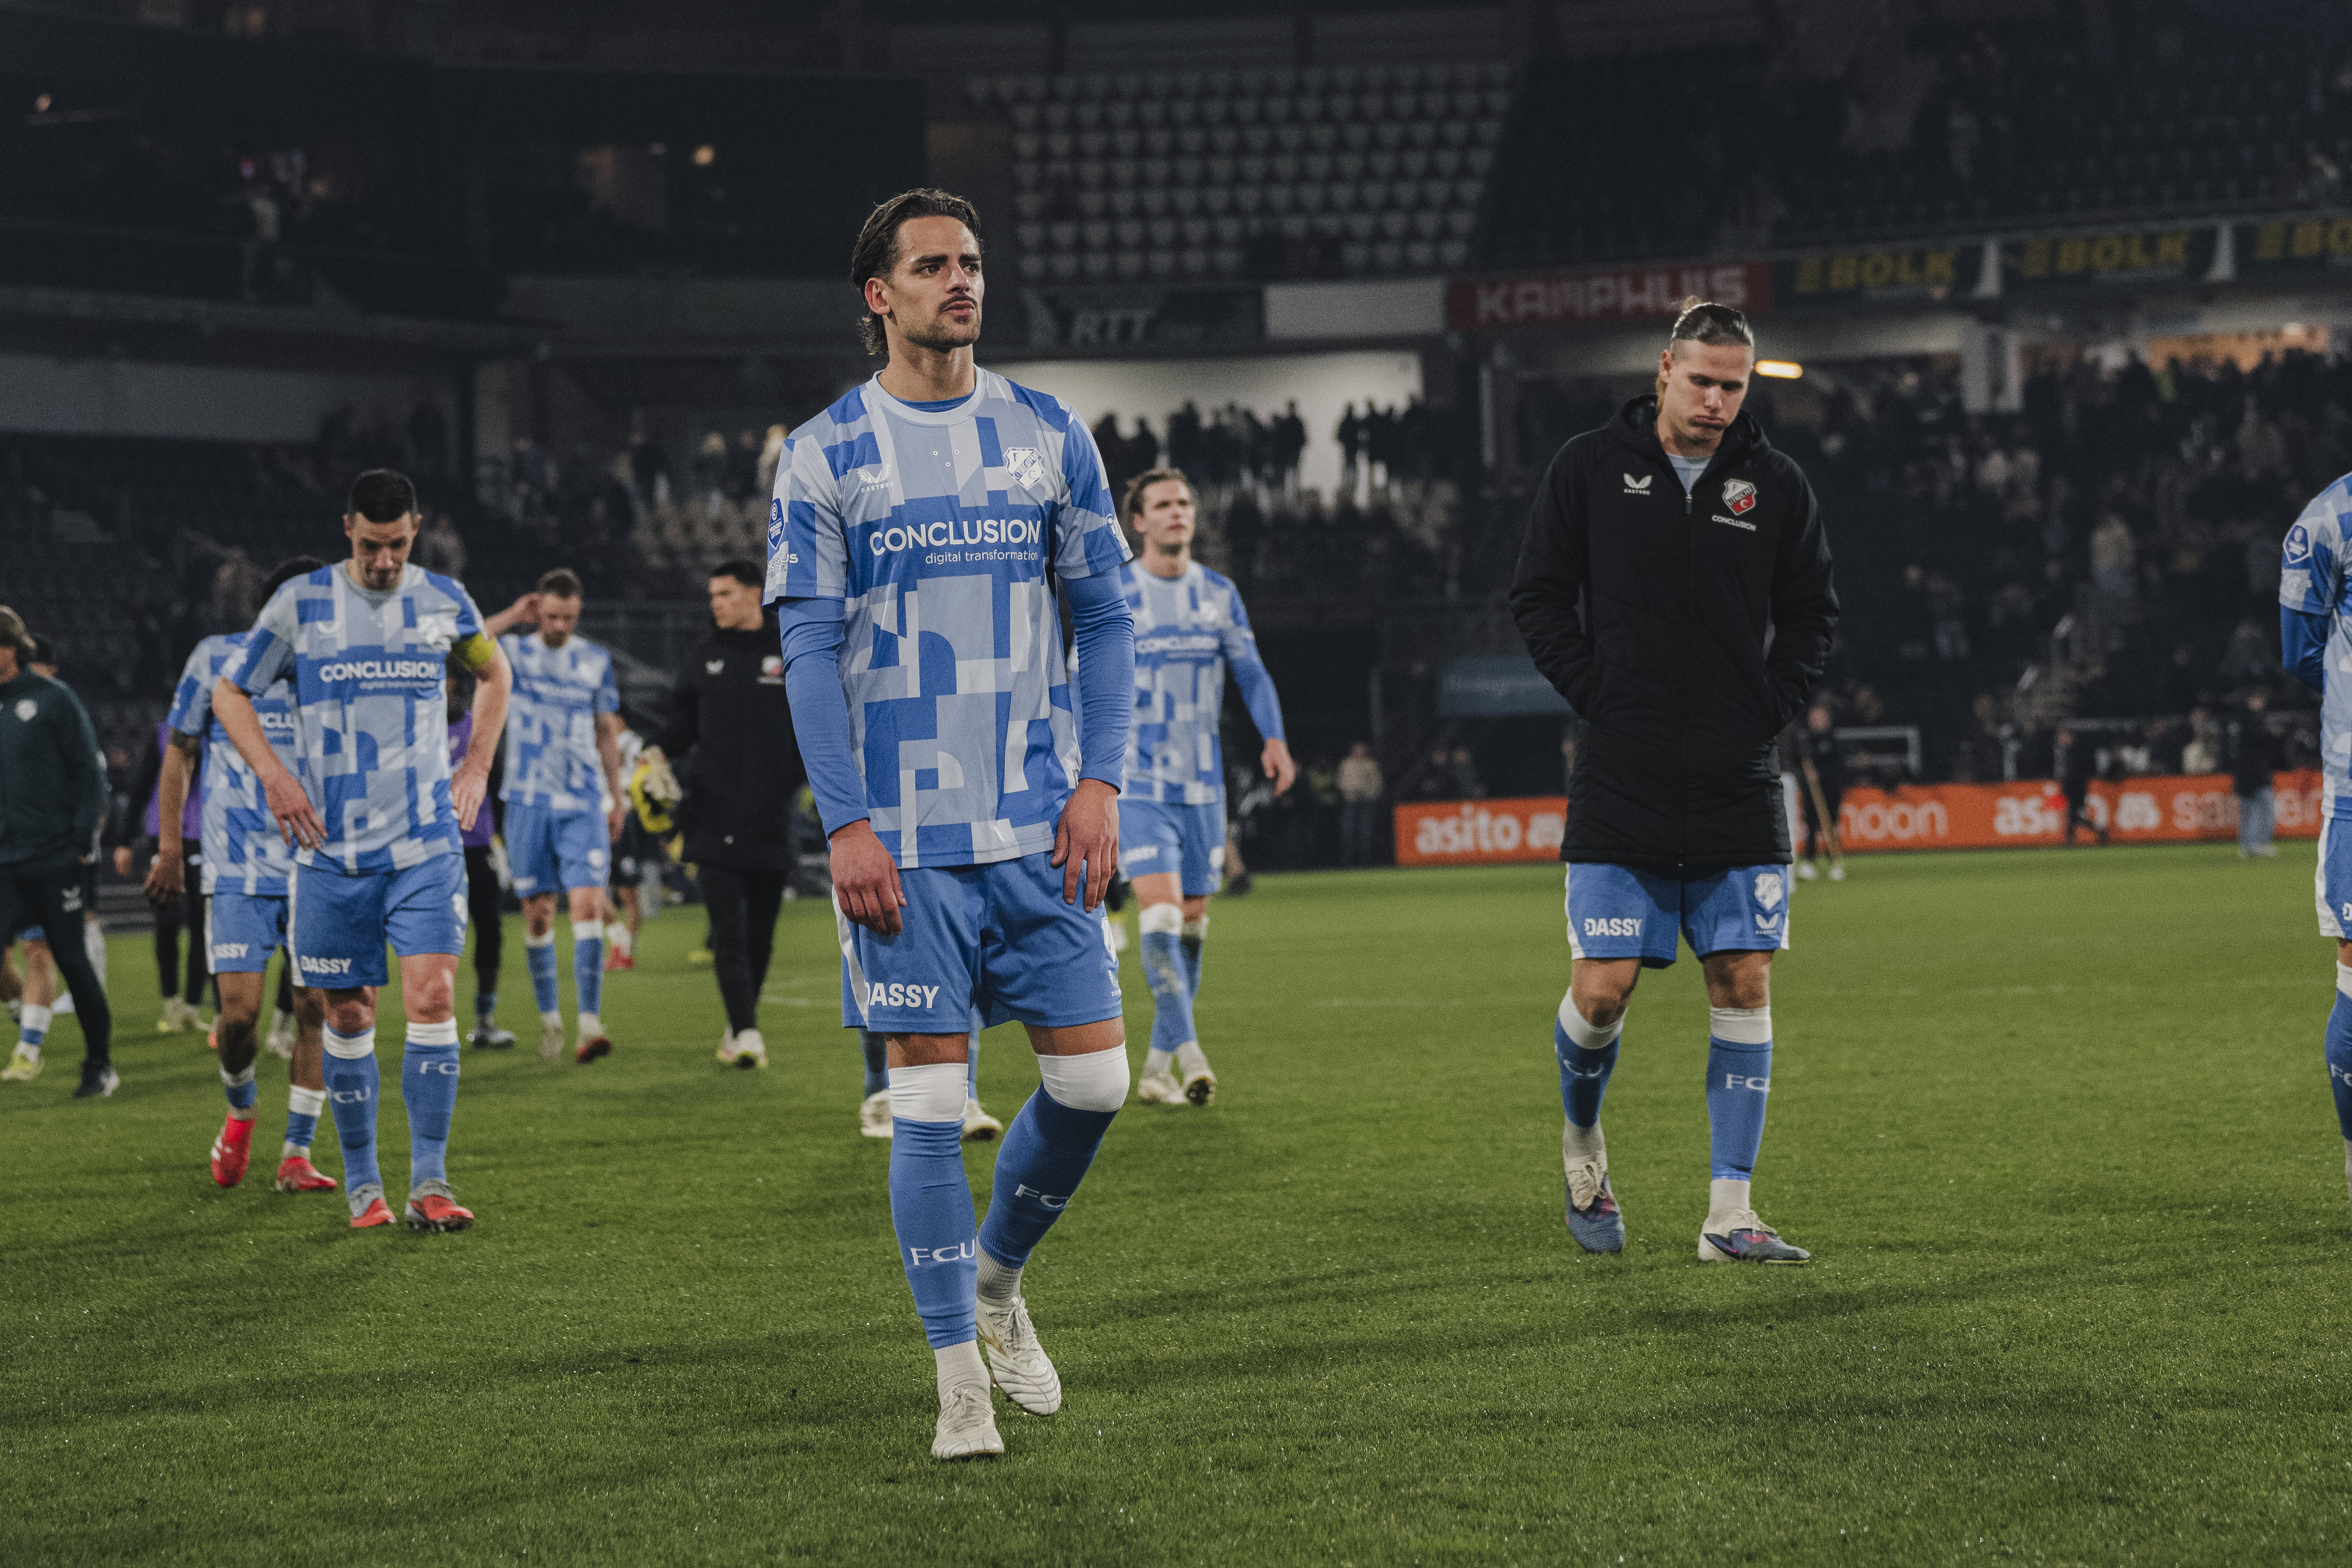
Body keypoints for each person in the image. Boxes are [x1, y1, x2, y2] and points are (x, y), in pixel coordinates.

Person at [770, 187, 1135, 1460]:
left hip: (1039, 822)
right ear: (880, 295)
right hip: (906, 842)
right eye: (931, 266)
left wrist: (1102, 782)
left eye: (971, 263)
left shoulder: (1047, 430)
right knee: (928, 1108)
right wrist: (847, 822)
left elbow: (1107, 617)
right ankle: (954, 1383)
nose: (959, 282)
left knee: (1095, 1081)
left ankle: (995, 1278)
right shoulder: (826, 451)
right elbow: (808, 653)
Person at [1508, 297, 1838, 1265]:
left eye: (1733, 387)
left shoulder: (1774, 486)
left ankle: (1728, 1215)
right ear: (1663, 370)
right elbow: (1535, 595)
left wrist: (1766, 706)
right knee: (1602, 993)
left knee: (1741, 980)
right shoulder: (1587, 469)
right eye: (1700, 381)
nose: (1716, 402)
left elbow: (1813, 613)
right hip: (1622, 776)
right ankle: (1581, 1146)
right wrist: (1597, 692)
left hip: (1736, 780)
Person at [214, 469, 511, 1232]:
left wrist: (475, 763)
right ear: (348, 527)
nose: (385, 560)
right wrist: (275, 776)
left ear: (416, 530)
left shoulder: (444, 600)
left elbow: (493, 670)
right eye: (373, 545)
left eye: (399, 544)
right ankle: (364, 1187)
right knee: (347, 1013)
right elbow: (230, 692)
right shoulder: (301, 603)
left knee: (434, 998)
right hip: (332, 852)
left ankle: (432, 1184)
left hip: (424, 843)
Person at [149, 556, 338, 1192]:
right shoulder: (215, 659)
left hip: (317, 864)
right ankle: (240, 1112)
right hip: (236, 866)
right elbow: (179, 751)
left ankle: (297, 1153)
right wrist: (170, 848)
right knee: (238, 1018)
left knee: (315, 1005)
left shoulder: (337, 672)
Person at [1115, 466, 1293, 1107]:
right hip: (1137, 782)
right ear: (1139, 521)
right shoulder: (1115, 595)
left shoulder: (1219, 594)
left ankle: (1157, 1068)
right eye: (1163, 505)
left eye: (1185, 503)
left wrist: (1273, 739)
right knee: (1160, 915)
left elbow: (1251, 673)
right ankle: (1191, 1056)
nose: (1177, 513)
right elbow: (1079, 688)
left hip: (1202, 787)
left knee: (1192, 927)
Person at [649, 560, 802, 1076]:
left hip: (769, 819)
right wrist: (653, 752)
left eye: (725, 593)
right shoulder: (701, 656)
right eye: (712, 594)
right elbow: (678, 730)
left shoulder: (790, 650)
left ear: (754, 595)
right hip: (711, 819)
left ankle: (740, 1025)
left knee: (760, 937)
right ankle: (747, 1031)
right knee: (729, 933)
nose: (715, 602)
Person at [483, 570, 628, 1063]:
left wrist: (617, 795)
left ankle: (590, 1022)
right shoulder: (516, 653)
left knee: (587, 904)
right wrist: (511, 617)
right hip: (525, 799)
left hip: (583, 800)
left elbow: (606, 730)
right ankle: (551, 1021)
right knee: (538, 913)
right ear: (537, 609)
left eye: (568, 617)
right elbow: (465, 643)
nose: (560, 626)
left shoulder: (594, 661)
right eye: (551, 616)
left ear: (579, 612)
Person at [0, 606, 116, 1096]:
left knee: (70, 959)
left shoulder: (53, 699)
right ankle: (21, 1013)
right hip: (4, 862)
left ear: (9, 648)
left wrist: (80, 841)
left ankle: (99, 1065)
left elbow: (89, 776)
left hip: (54, 857)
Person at [446, 660, 516, 1050]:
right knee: (431, 938)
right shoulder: (412, 730)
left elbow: (498, 781)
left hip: (475, 847)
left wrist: (502, 844)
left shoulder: (476, 726)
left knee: (490, 929)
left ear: (452, 683)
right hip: (429, 851)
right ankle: (432, 1020)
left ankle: (485, 1020)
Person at [1794, 705, 1847, 880]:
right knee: (1811, 825)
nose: (1816, 722)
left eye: (1820, 718)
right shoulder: (1805, 740)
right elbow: (1799, 762)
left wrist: (1820, 772)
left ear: (1827, 720)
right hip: (1812, 790)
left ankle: (1835, 862)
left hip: (1831, 789)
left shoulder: (1833, 740)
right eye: (1813, 718)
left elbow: (1838, 765)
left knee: (1831, 825)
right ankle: (1809, 862)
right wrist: (1806, 774)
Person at [2231, 693, 2282, 858]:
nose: (2260, 703)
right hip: (2255, 774)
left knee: (2249, 810)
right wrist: (2272, 735)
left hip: (2245, 774)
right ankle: (2259, 844)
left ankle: (2247, 845)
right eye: (2257, 699)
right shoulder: (2253, 722)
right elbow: (2259, 744)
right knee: (2265, 808)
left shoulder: (2239, 722)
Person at [1336, 740, 1383, 867]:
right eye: (1357, 749)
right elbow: (1342, 782)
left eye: (1362, 749)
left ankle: (1366, 863)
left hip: (1367, 803)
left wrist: (1369, 794)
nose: (1360, 752)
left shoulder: (1371, 764)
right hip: (1351, 803)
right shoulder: (1347, 763)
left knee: (1366, 835)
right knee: (1348, 834)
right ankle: (1347, 864)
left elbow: (1377, 784)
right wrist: (1350, 793)